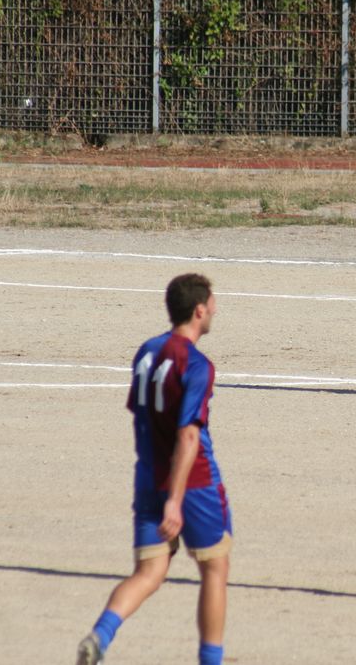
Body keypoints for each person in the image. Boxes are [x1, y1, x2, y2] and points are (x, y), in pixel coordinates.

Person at [76, 273, 231, 665]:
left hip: (148, 477)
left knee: (149, 571)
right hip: (193, 483)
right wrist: (175, 500)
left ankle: (100, 635)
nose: (216, 309)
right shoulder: (197, 365)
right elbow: (188, 436)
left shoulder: (146, 352)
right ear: (199, 310)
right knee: (215, 568)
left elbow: (140, 414)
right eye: (212, 303)